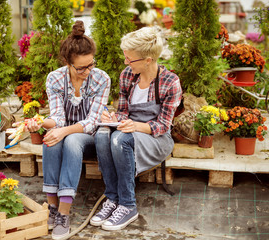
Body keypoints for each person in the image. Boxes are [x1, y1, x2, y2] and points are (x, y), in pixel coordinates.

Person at [90, 26, 182, 231]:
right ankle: (112, 199)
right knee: (103, 134)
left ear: (148, 59)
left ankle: (128, 205)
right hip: (129, 130)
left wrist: (134, 126)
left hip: (156, 138)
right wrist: (115, 117)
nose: (125, 62)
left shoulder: (170, 82)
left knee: (120, 140)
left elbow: (162, 126)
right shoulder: (127, 76)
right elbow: (123, 112)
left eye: (130, 59)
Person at [25, 20, 110, 239]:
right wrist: (40, 123)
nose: (87, 71)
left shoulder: (101, 79)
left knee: (70, 139)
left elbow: (92, 122)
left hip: (90, 138)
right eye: (81, 67)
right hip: (66, 131)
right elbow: (57, 119)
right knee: (51, 137)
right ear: (67, 62)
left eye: (91, 64)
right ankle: (52, 207)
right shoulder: (55, 79)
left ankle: (64, 213)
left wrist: (63, 131)